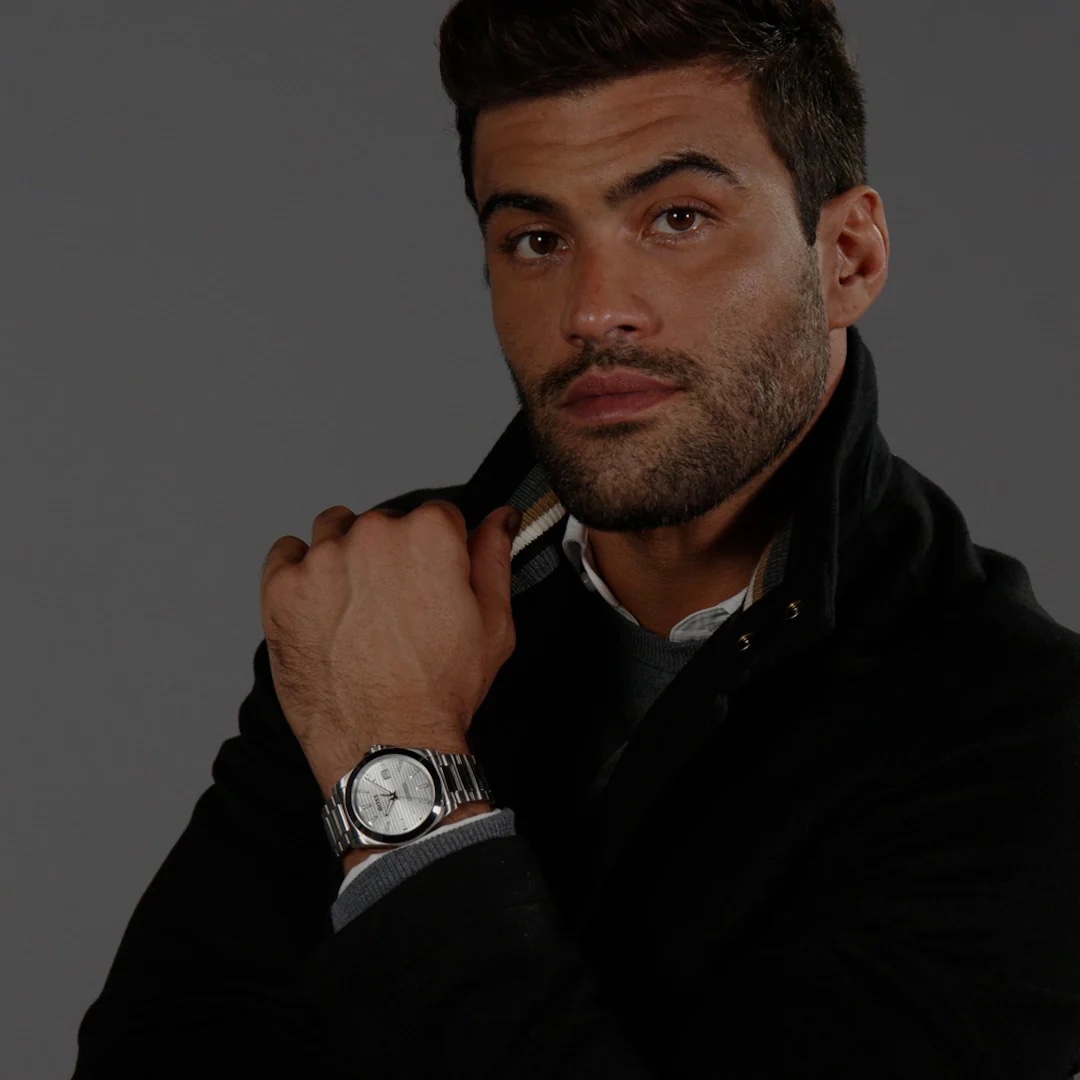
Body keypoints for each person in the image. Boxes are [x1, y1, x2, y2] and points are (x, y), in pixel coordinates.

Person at [73, 2, 1080, 1077]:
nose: (595, 311)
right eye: (538, 240)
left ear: (848, 257)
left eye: (678, 218)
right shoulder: (376, 604)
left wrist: (398, 768)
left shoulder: (1022, 733)